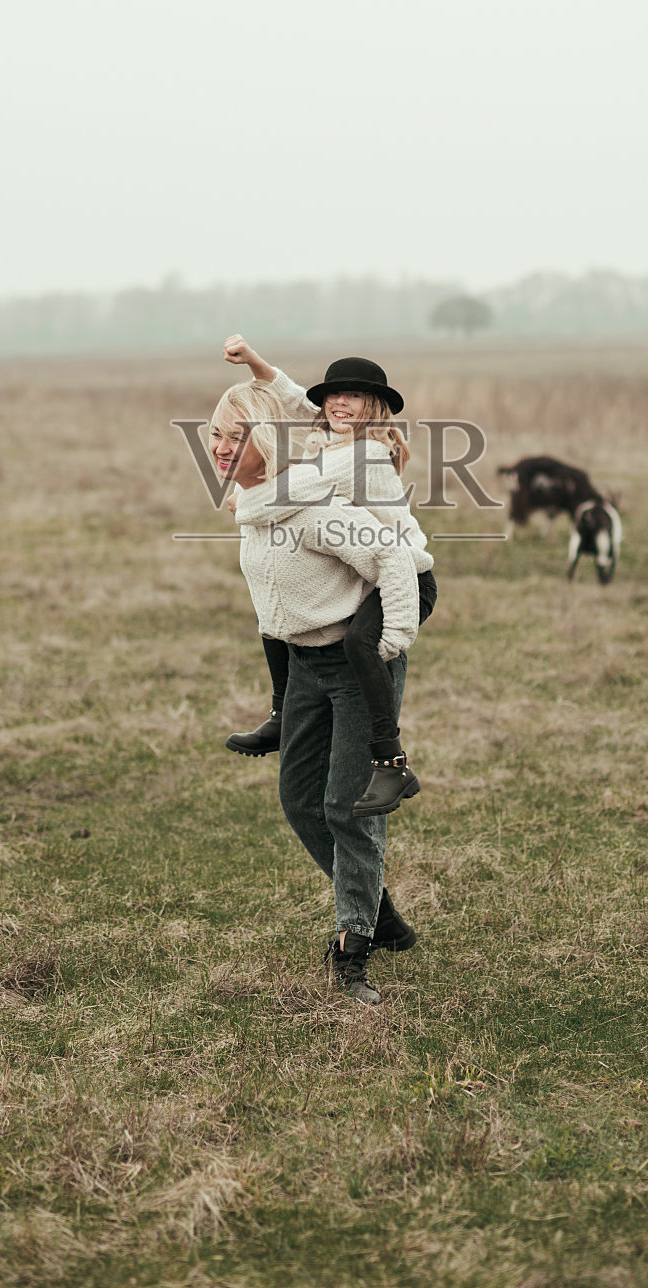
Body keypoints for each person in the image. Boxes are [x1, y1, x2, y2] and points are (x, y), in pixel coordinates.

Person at [210, 376, 420, 1004]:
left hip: (357, 669)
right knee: (301, 801)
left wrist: (388, 643)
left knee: (346, 809)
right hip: (305, 669)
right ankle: (380, 915)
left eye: (235, 436)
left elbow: (393, 556)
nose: (219, 448)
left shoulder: (316, 512)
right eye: (215, 435)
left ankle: (352, 950)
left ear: (266, 443)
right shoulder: (255, 506)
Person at [220, 335, 437, 817]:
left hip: (404, 575)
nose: (340, 402)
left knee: (361, 642)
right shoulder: (330, 437)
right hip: (369, 565)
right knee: (278, 609)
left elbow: (293, 490)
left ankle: (391, 761)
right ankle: (281, 714)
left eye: (354, 396)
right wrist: (255, 361)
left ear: (374, 408)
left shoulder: (365, 456)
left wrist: (245, 501)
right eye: (334, 394)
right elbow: (297, 398)